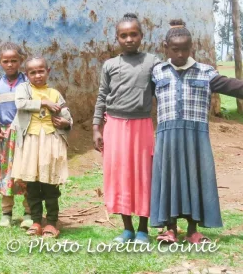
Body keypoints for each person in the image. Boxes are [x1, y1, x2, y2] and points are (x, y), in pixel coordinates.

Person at [151, 19, 243, 244]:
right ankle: (169, 229)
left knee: (195, 179)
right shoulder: (157, 73)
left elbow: (233, 86)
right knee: (169, 179)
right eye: (175, 49)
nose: (181, 54)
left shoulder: (205, 73)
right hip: (167, 136)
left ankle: (193, 231)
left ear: (192, 47)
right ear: (166, 47)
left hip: (196, 136)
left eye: (185, 49)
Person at [93, 14, 159, 244]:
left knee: (142, 175)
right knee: (119, 175)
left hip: (142, 126)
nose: (129, 39)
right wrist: (96, 128)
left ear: (142, 36)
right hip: (115, 126)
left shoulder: (153, 62)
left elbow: (161, 92)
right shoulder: (110, 65)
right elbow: (102, 96)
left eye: (133, 34)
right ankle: (127, 228)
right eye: (124, 35)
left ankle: (143, 229)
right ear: (117, 38)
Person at [12, 57, 73, 238]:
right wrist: (43, 103)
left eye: (41, 71)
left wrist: (65, 123)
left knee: (49, 184)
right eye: (33, 72)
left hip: (50, 142)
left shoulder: (54, 93)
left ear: (48, 71)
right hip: (30, 142)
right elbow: (20, 103)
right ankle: (36, 221)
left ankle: (52, 222)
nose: (37, 75)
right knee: (32, 184)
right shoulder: (24, 89)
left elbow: (67, 116)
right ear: (27, 75)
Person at [0, 42, 32, 228]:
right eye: (6, 61)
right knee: (7, 174)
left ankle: (29, 213)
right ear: (0, 62)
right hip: (5, 136)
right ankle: (6, 213)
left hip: (26, 135)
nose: (10, 64)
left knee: (27, 173)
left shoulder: (27, 82)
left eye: (14, 60)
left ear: (21, 61)